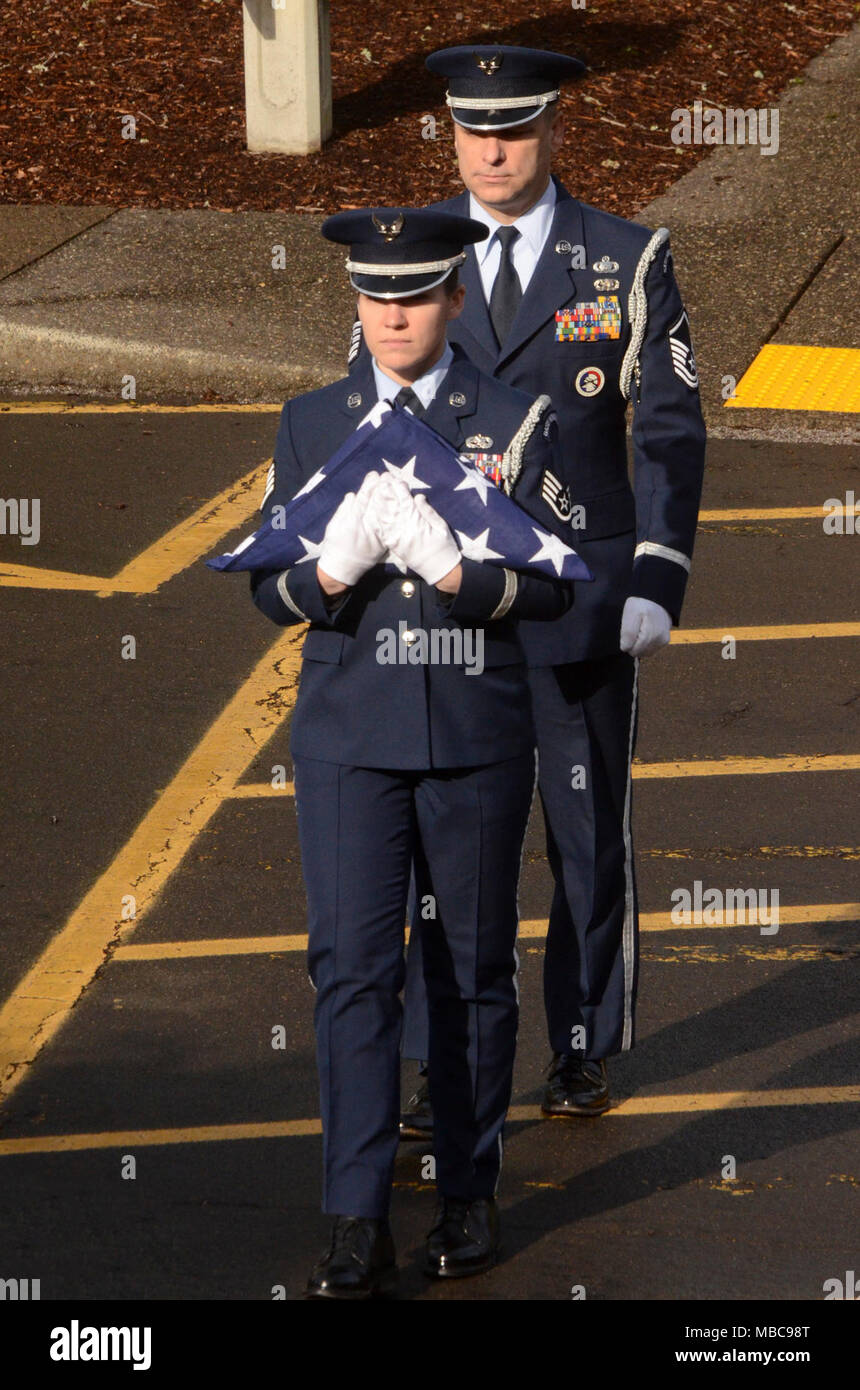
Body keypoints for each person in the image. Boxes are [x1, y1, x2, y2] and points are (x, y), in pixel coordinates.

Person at [353, 46, 707, 1133]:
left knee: (585, 833)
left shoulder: (625, 258)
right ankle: (439, 1059)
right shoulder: (410, 257)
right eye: (471, 129)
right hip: (446, 607)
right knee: (445, 849)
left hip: (580, 606)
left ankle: (583, 1046)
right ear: (450, 136)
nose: (491, 149)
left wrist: (655, 571)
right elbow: (372, 422)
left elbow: (665, 427)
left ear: (554, 130)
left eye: (512, 128)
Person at [249, 207, 581, 1296]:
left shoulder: (512, 415)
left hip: (474, 735)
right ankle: (354, 1214)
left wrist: (457, 575)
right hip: (349, 738)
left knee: (472, 969)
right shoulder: (312, 421)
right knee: (351, 970)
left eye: (416, 293)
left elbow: (553, 576)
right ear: (356, 302)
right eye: (375, 295)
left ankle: (467, 1192)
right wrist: (329, 574)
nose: (393, 313)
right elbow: (268, 581)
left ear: (450, 299)